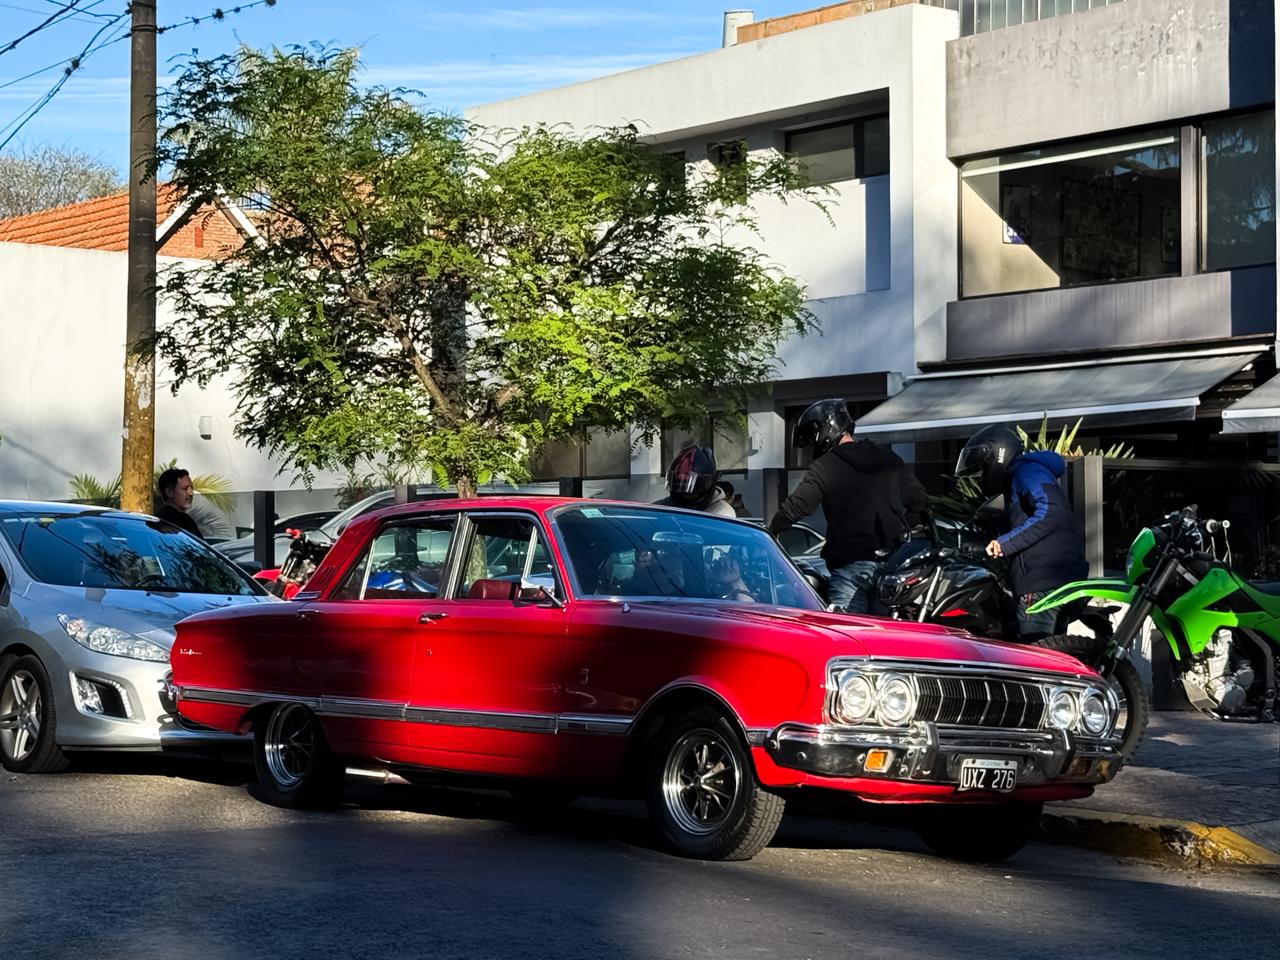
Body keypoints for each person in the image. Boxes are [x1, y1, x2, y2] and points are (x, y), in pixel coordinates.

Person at [769, 399, 928, 614]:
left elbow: (797, 506)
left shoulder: (826, 466)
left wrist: (773, 530)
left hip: (849, 566)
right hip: (893, 567)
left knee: (850, 638)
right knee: (886, 639)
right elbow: (919, 501)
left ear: (823, 431)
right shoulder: (889, 459)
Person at [954, 424, 1088, 640]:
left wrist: (1003, 544)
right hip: (1061, 578)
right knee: (1056, 655)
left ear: (997, 455)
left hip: (1042, 582)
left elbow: (1051, 512)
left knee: (1034, 659)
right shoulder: (1031, 472)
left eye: (983, 467)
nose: (983, 475)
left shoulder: (1026, 471)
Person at [657, 445, 737, 518]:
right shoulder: (663, 507)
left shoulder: (723, 514)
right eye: (678, 486)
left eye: (689, 493)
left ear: (706, 485)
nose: (683, 495)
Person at [156, 467, 202, 539]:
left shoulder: (157, 520)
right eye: (185, 488)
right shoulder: (180, 521)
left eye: (191, 488)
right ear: (169, 492)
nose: (191, 493)